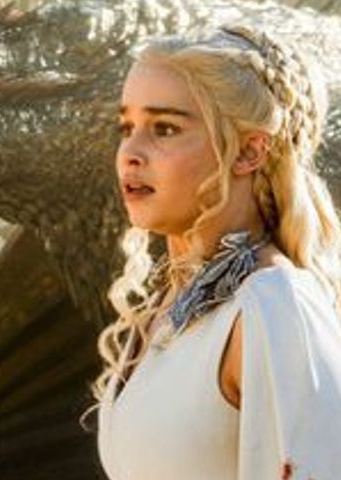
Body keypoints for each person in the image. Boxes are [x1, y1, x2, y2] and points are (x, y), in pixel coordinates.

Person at [96, 25, 341, 479]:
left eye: (165, 128)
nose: (130, 152)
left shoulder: (274, 304)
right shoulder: (164, 304)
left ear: (248, 152)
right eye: (126, 127)